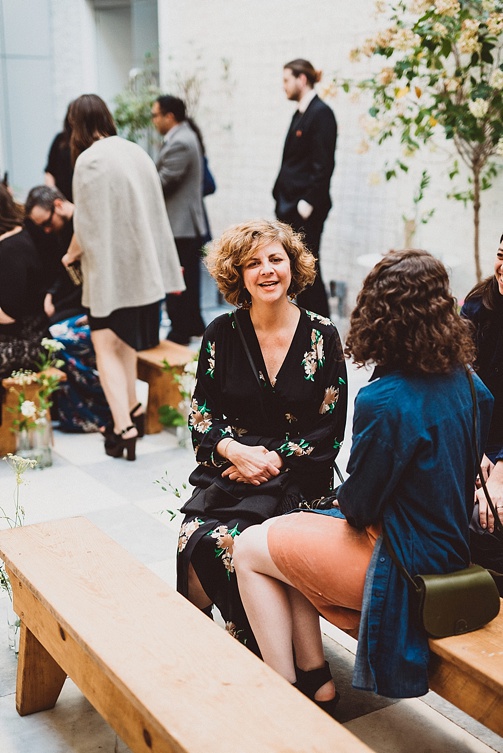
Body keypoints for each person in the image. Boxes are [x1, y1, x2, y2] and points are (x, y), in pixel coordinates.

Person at [233, 249, 493, 712]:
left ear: (380, 314)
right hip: (452, 550)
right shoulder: (472, 386)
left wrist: (339, 496)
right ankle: (318, 682)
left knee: (252, 547)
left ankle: (280, 696)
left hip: (400, 564)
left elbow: (360, 507)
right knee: (286, 537)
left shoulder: (385, 399)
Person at [176, 219, 347, 655]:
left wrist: (267, 459)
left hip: (296, 478)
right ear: (238, 274)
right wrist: (234, 451)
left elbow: (328, 431)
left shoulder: (323, 335)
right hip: (231, 473)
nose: (266, 270)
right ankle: (221, 654)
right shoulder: (221, 334)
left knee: (228, 543)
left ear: (293, 267)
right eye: (253, 263)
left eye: (276, 259)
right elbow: (201, 415)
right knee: (193, 542)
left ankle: (268, 664)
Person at [62, 93, 184, 459]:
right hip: (146, 273)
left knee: (104, 347)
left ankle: (123, 428)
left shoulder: (89, 161)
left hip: (111, 274)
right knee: (126, 343)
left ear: (77, 126)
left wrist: (69, 255)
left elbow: (85, 224)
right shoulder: (136, 151)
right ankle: (132, 408)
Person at [25, 185, 112, 433]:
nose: (47, 230)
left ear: (59, 206)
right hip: (82, 305)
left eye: (47, 223)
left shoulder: (85, 224)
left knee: (58, 339)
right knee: (49, 336)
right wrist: (51, 295)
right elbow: (67, 273)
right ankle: (79, 413)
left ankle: (99, 412)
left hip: (103, 307)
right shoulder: (64, 229)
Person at [273, 59, 337, 319]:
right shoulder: (300, 112)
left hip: (304, 209)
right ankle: (306, 328)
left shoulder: (321, 113)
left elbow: (324, 163)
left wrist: (306, 204)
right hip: (289, 204)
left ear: (302, 79)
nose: (283, 86)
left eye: (286, 80)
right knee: (299, 272)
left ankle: (321, 331)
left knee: (308, 271)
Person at [462, 237, 503, 587]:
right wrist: (477, 453)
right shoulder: (478, 306)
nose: (502, 268)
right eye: (501, 256)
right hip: (479, 446)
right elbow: (462, 387)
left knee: (487, 521)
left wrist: (501, 466)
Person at [151, 95, 207, 344]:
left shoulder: (181, 142)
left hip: (180, 225)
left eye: (155, 115)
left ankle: (180, 330)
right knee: (186, 278)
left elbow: (161, 182)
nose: (154, 121)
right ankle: (193, 324)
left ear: (169, 116)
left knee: (177, 279)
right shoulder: (182, 137)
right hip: (182, 225)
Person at [44, 103, 74, 201]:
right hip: (60, 200)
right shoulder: (60, 139)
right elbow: (49, 171)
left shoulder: (89, 143)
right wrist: (53, 197)